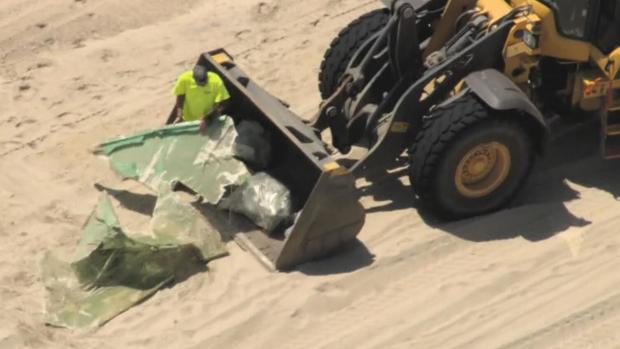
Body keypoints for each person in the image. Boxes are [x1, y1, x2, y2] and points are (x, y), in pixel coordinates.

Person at [167, 64, 231, 132]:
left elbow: (225, 102)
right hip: (189, 119)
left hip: (210, 118)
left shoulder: (216, 81)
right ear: (194, 78)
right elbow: (180, 97)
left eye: (205, 81)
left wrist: (209, 117)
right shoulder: (184, 79)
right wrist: (179, 115)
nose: (203, 85)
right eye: (200, 83)